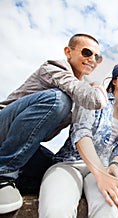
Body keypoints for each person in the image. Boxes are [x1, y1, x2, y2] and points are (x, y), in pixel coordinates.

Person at [0, 33, 108, 214]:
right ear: (68, 52)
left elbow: (53, 133)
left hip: (22, 142)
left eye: (98, 57)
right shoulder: (54, 68)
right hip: (4, 128)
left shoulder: (79, 86)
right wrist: (98, 85)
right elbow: (95, 100)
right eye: (87, 52)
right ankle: (4, 174)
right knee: (59, 99)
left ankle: (20, 180)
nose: (92, 60)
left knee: (52, 169)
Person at [38, 62, 118, 218]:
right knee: (56, 210)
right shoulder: (95, 96)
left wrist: (114, 165)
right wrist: (101, 174)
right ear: (114, 80)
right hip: (70, 163)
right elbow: (81, 133)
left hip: (104, 168)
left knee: (109, 209)